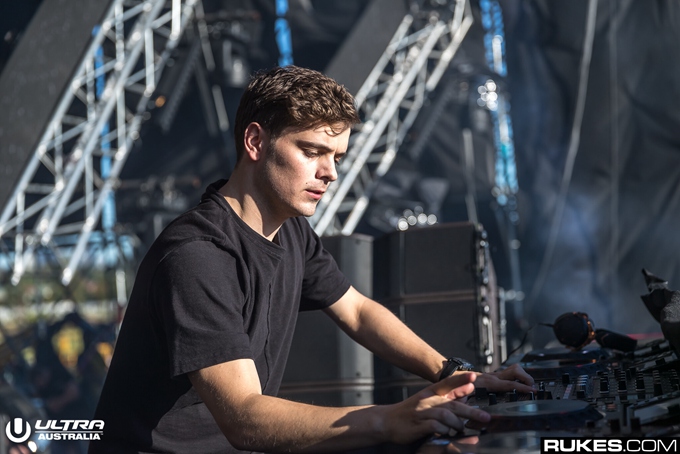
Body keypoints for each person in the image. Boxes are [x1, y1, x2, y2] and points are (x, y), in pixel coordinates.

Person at [89, 65, 534, 454]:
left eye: (337, 157)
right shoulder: (196, 256)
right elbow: (244, 418)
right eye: (312, 151)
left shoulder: (292, 232)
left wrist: (455, 374)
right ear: (255, 141)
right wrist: (390, 419)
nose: (331, 173)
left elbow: (357, 311)